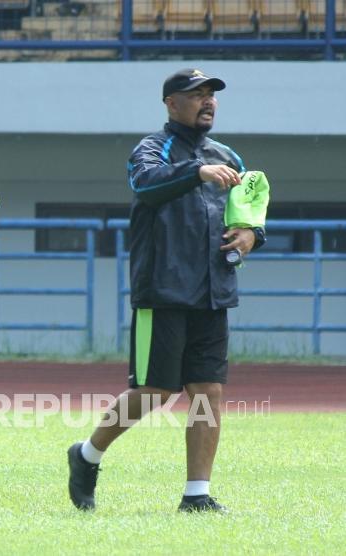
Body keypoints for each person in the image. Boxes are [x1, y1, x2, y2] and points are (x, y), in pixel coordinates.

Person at [67, 68, 267, 513]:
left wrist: (252, 235)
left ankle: (197, 495)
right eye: (195, 94)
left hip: (214, 291)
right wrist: (197, 171)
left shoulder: (227, 155)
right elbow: (146, 185)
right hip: (163, 290)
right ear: (171, 103)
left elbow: (248, 211)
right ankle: (86, 455)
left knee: (208, 392)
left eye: (211, 94)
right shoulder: (152, 148)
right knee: (155, 391)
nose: (207, 101)